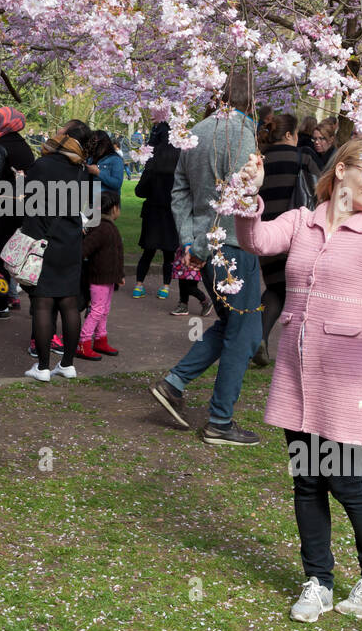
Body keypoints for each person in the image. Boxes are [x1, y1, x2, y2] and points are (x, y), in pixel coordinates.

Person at [235, 138, 362, 622]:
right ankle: (317, 582)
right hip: (298, 374)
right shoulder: (303, 220)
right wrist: (247, 198)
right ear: (342, 170)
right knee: (306, 479)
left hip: (347, 377)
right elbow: (255, 241)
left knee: (344, 478)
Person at [149, 68, 262, 445]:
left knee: (234, 326)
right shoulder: (242, 135)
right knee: (243, 334)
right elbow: (235, 200)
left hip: (206, 244)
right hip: (231, 248)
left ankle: (175, 383)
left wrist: (188, 241)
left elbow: (178, 191)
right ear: (252, 100)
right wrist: (198, 246)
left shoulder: (196, 130)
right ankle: (220, 420)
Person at [20, 122, 92, 382]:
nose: (55, 132)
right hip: (71, 241)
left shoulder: (42, 165)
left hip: (44, 241)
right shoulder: (81, 170)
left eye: (60, 130)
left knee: (42, 303)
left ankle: (41, 367)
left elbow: (28, 202)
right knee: (69, 304)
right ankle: (68, 364)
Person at [255, 113, 322, 367]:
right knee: (301, 293)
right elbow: (319, 188)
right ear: (288, 135)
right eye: (295, 134)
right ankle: (303, 349)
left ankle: (258, 339)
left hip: (267, 234)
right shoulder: (302, 156)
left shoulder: (261, 160)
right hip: (298, 233)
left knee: (276, 288)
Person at [0, 106, 35, 320]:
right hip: (23, 206)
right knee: (15, 253)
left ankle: (1, 304)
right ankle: (13, 296)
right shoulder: (23, 145)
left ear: (5, 122)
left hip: (3, 210)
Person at [75, 190, 124, 361]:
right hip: (99, 278)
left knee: (104, 310)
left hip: (109, 277)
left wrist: (120, 274)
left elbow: (117, 254)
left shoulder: (107, 227)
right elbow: (84, 249)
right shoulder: (102, 228)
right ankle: (84, 341)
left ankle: (100, 339)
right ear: (115, 208)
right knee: (97, 310)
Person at [132, 122, 178, 300]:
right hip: (170, 213)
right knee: (169, 254)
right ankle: (165, 287)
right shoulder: (179, 162)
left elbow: (140, 191)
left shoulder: (152, 163)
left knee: (148, 251)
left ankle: (138, 285)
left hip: (152, 212)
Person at [87, 130, 124, 198]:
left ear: (103, 143)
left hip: (107, 202)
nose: (91, 146)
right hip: (90, 201)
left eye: (94, 143)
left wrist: (98, 173)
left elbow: (117, 184)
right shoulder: (90, 158)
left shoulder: (115, 159)